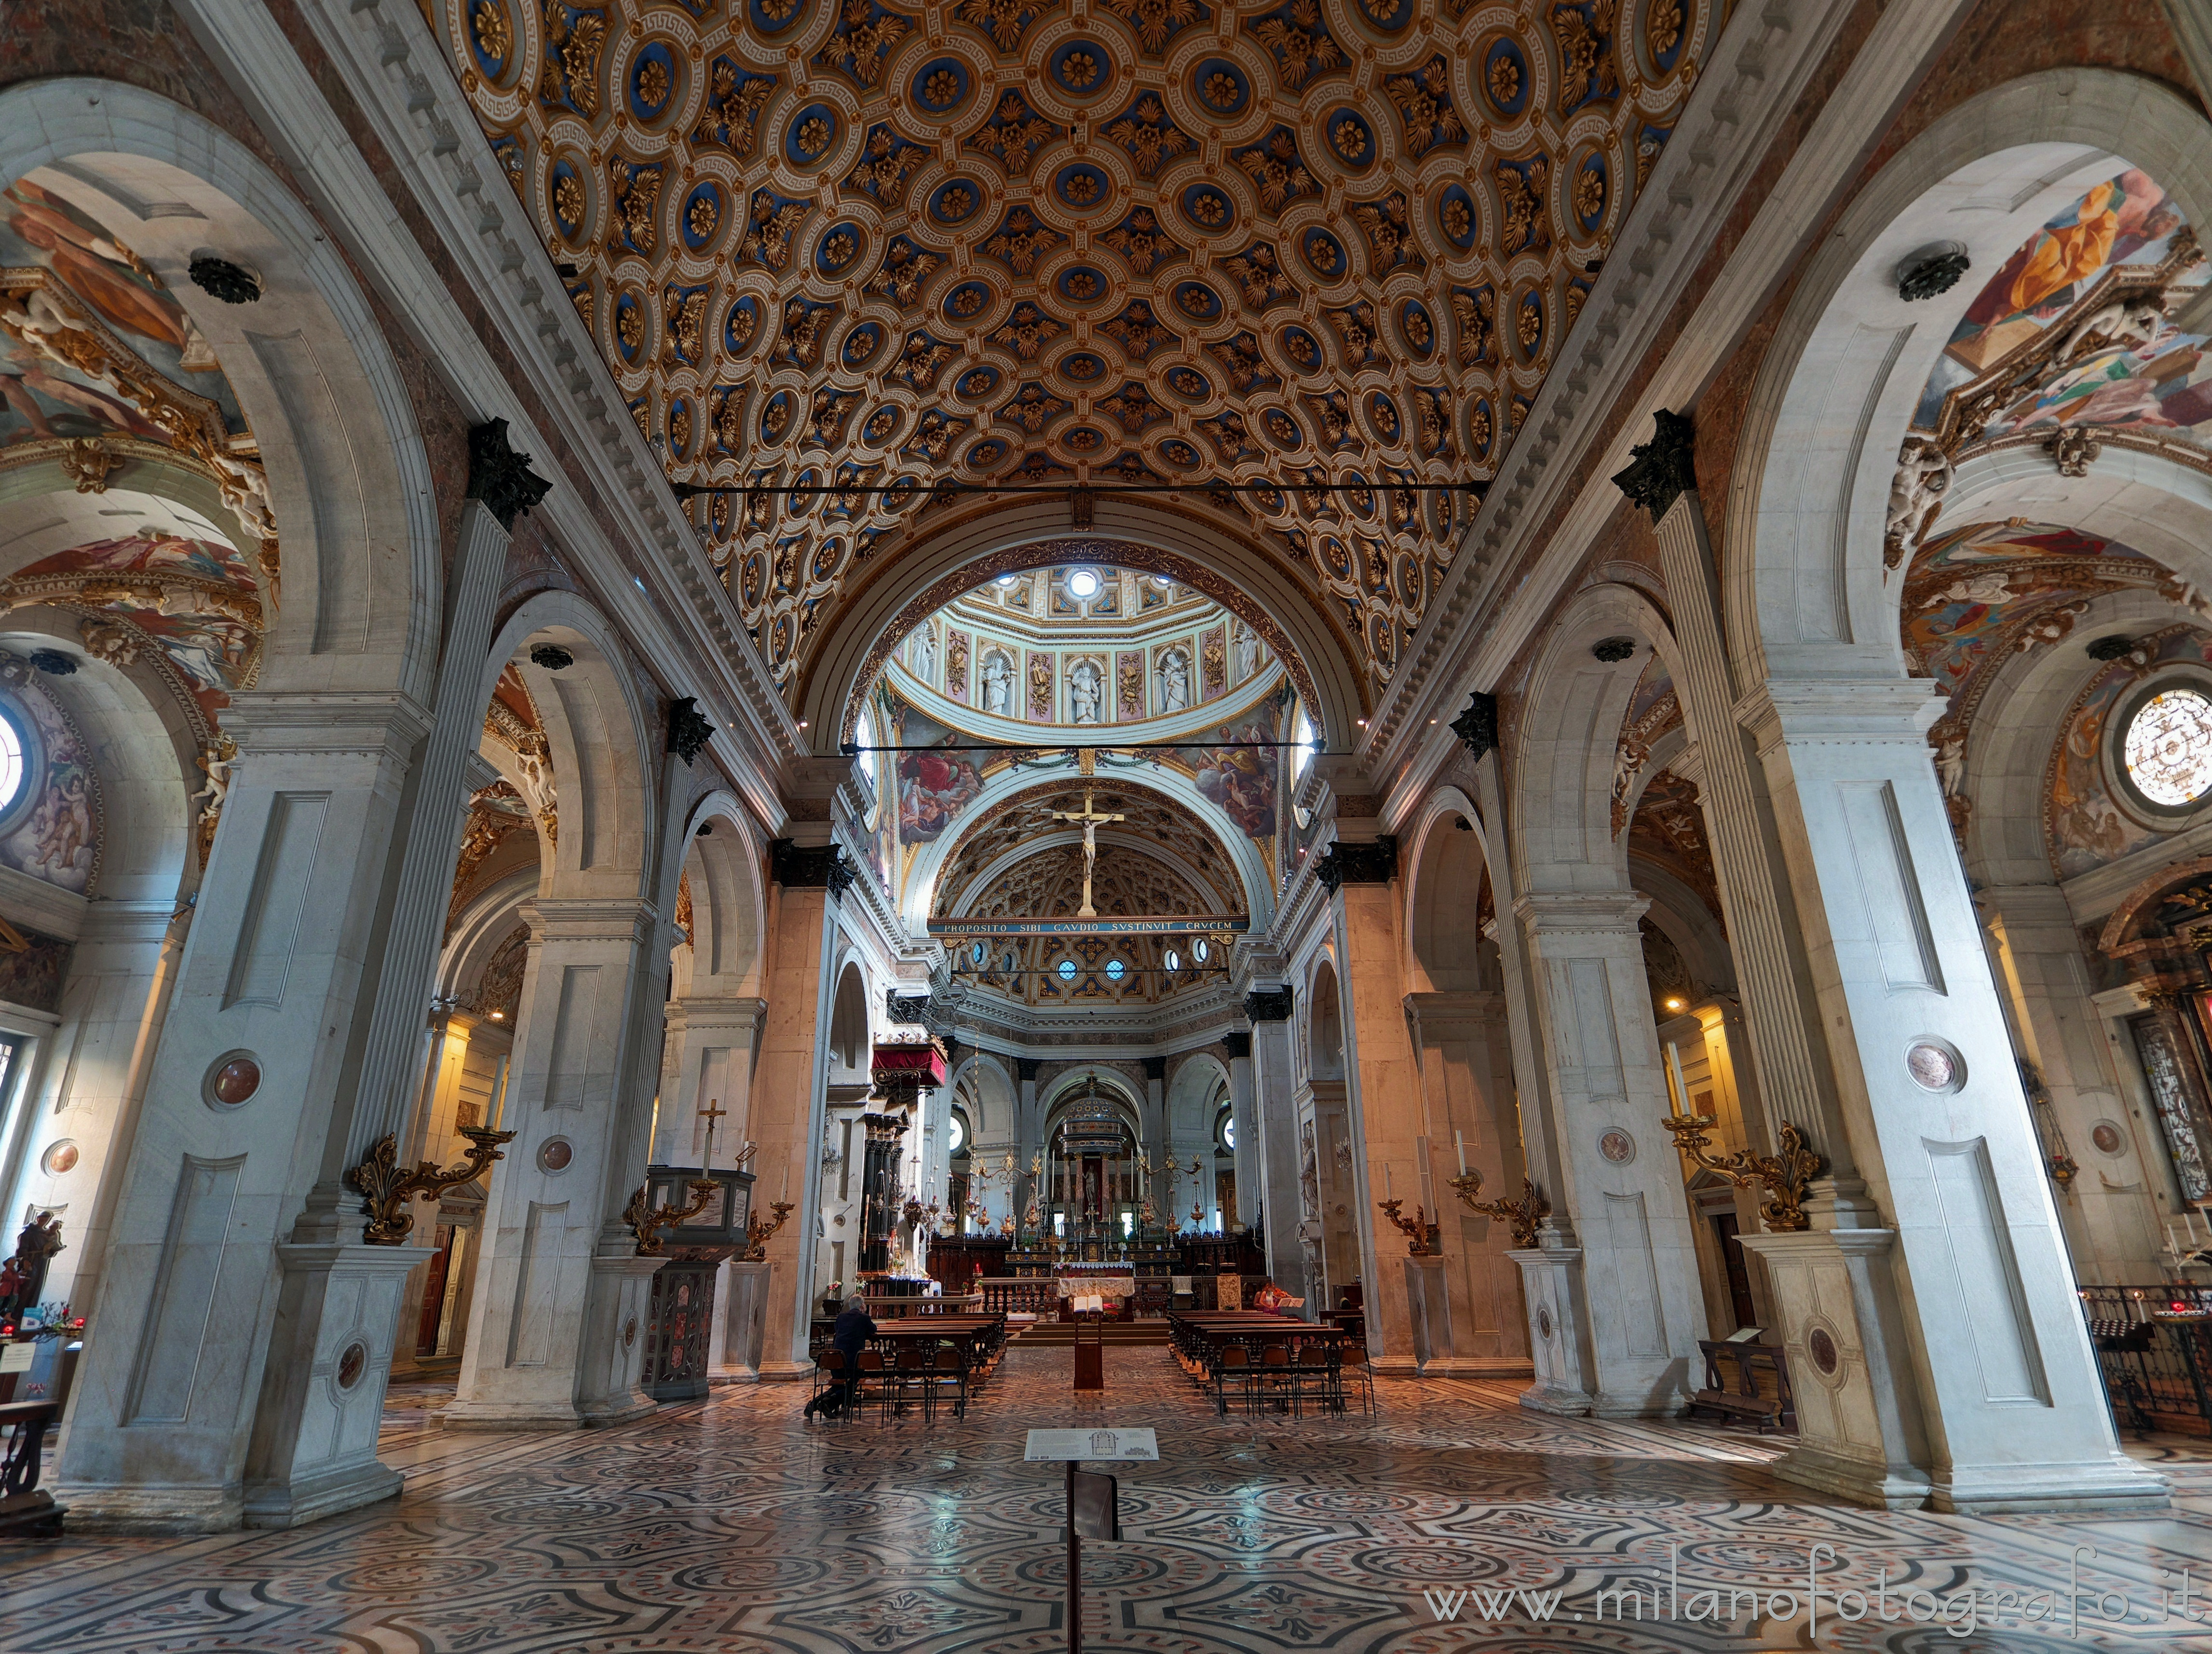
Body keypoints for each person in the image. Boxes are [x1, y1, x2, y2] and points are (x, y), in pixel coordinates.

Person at [805, 1293, 876, 1420]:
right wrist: (864, 1313)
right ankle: (827, 1403)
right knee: (852, 1382)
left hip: (836, 1360)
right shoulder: (863, 1318)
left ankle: (813, 1404)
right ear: (862, 1306)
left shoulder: (841, 1317)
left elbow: (837, 1330)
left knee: (839, 1385)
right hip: (852, 1362)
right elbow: (873, 1329)